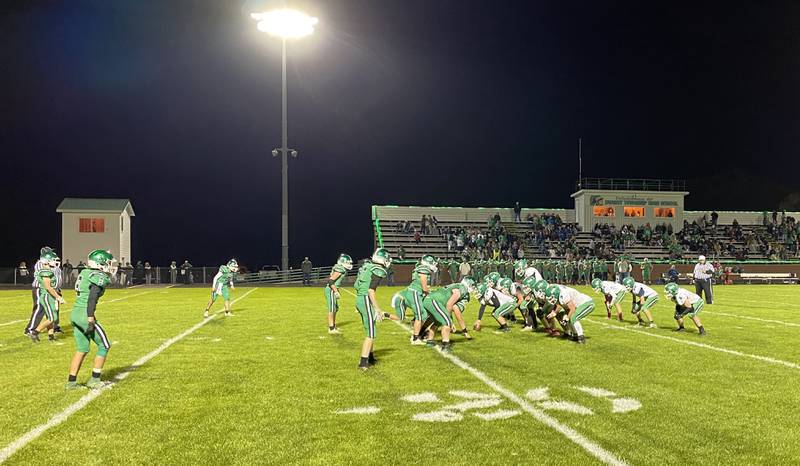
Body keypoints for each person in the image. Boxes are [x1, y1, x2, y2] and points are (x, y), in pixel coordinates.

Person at [66, 249, 116, 390]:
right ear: (100, 263)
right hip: (84, 314)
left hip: (75, 313)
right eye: (108, 262)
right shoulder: (98, 276)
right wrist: (90, 317)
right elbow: (92, 297)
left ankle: (71, 382)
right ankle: (94, 380)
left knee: (82, 348)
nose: (110, 265)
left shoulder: (86, 272)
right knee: (104, 345)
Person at [353, 248, 395, 370]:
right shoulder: (378, 270)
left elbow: (356, 285)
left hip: (360, 299)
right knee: (371, 333)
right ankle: (363, 363)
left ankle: (370, 357)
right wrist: (377, 309)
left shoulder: (367, 266)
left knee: (370, 329)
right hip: (366, 299)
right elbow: (371, 291)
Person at [420, 278, 476, 351]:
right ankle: (445, 345)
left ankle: (430, 341)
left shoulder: (457, 285)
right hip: (434, 301)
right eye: (472, 285)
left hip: (429, 299)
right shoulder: (462, 289)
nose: (472, 288)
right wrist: (450, 320)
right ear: (468, 284)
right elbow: (449, 304)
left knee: (438, 322)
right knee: (447, 322)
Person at [392, 255, 437, 345]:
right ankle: (415, 338)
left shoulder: (421, 268)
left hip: (414, 293)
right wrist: (430, 292)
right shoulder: (424, 269)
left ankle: (419, 333)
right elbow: (424, 287)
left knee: (423, 314)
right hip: (415, 293)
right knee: (420, 315)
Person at [27, 250, 66, 342]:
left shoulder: (49, 270)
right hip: (47, 296)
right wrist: (58, 297)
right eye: (53, 260)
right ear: (46, 261)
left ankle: (51, 336)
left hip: (50, 296)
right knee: (52, 318)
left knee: (51, 317)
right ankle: (35, 332)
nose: (55, 262)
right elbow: (48, 287)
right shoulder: (45, 271)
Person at [324, 254, 353, 334]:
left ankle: (333, 325)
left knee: (336, 308)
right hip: (330, 290)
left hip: (333, 289)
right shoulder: (340, 269)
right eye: (347, 262)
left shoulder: (341, 268)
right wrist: (336, 291)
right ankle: (331, 328)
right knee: (332, 309)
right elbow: (330, 281)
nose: (349, 264)